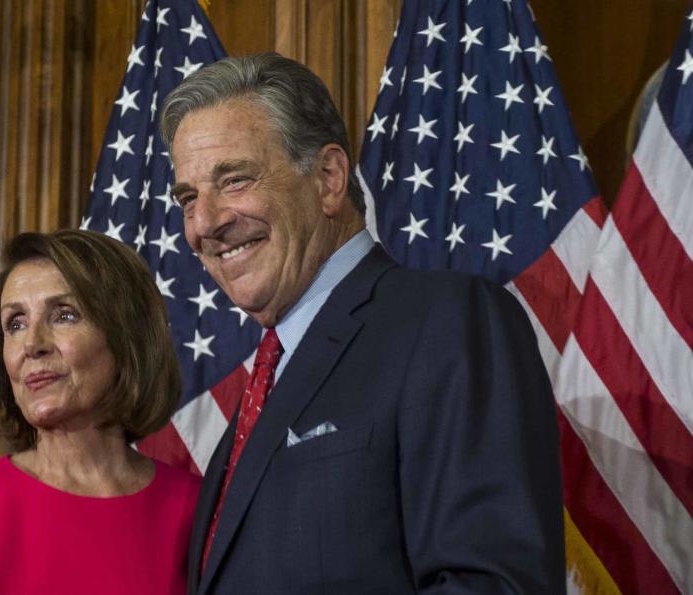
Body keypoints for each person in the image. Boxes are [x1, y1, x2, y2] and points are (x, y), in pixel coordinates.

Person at [160, 53, 565, 594]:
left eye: (234, 180)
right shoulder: (259, 396)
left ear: (329, 177)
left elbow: (492, 584)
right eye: (188, 198)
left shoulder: (446, 323)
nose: (205, 223)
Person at [0, 230, 200, 594]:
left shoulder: (198, 511)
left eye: (64, 315)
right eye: (15, 323)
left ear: (126, 338)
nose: (31, 344)